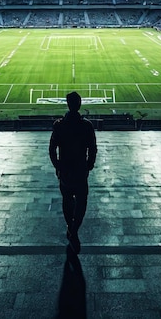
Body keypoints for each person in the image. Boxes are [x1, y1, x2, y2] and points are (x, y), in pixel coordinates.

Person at [49, 91, 97, 254]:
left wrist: (58, 166)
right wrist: (89, 165)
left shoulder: (59, 125)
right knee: (81, 203)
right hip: (80, 172)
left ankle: (71, 228)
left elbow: (52, 149)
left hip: (66, 172)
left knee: (67, 201)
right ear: (80, 104)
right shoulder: (86, 126)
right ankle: (74, 230)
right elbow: (93, 148)